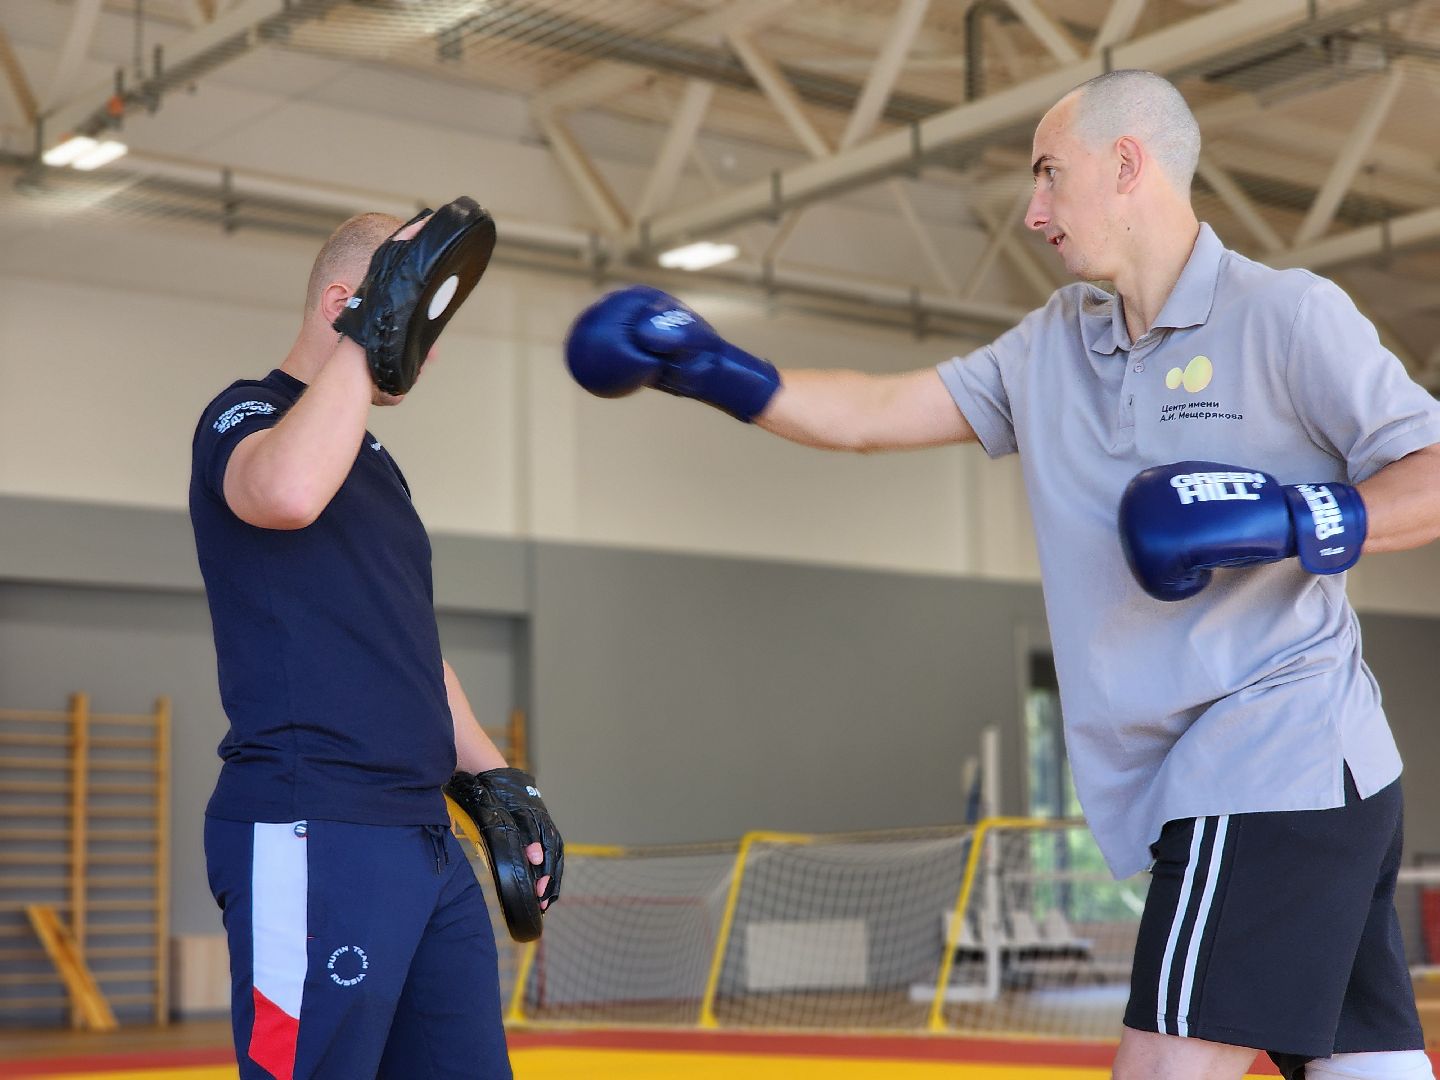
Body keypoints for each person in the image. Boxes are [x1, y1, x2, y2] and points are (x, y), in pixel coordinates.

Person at [562, 70, 1440, 1080]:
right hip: (1282, 783)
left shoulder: (1285, 315)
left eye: (1048, 177)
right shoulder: (1054, 345)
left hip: (1272, 757)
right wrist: (709, 367)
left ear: (1127, 164)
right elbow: (875, 415)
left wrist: (1297, 516)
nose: (1032, 213)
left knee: (1161, 1070)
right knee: (1367, 1069)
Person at [189, 206, 561, 1080]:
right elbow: (282, 493)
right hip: (309, 824)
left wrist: (497, 779)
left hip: (420, 838)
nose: (426, 353)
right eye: (413, 320)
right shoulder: (244, 414)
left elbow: (409, 643)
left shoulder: (376, 463)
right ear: (341, 306)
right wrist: (371, 338)